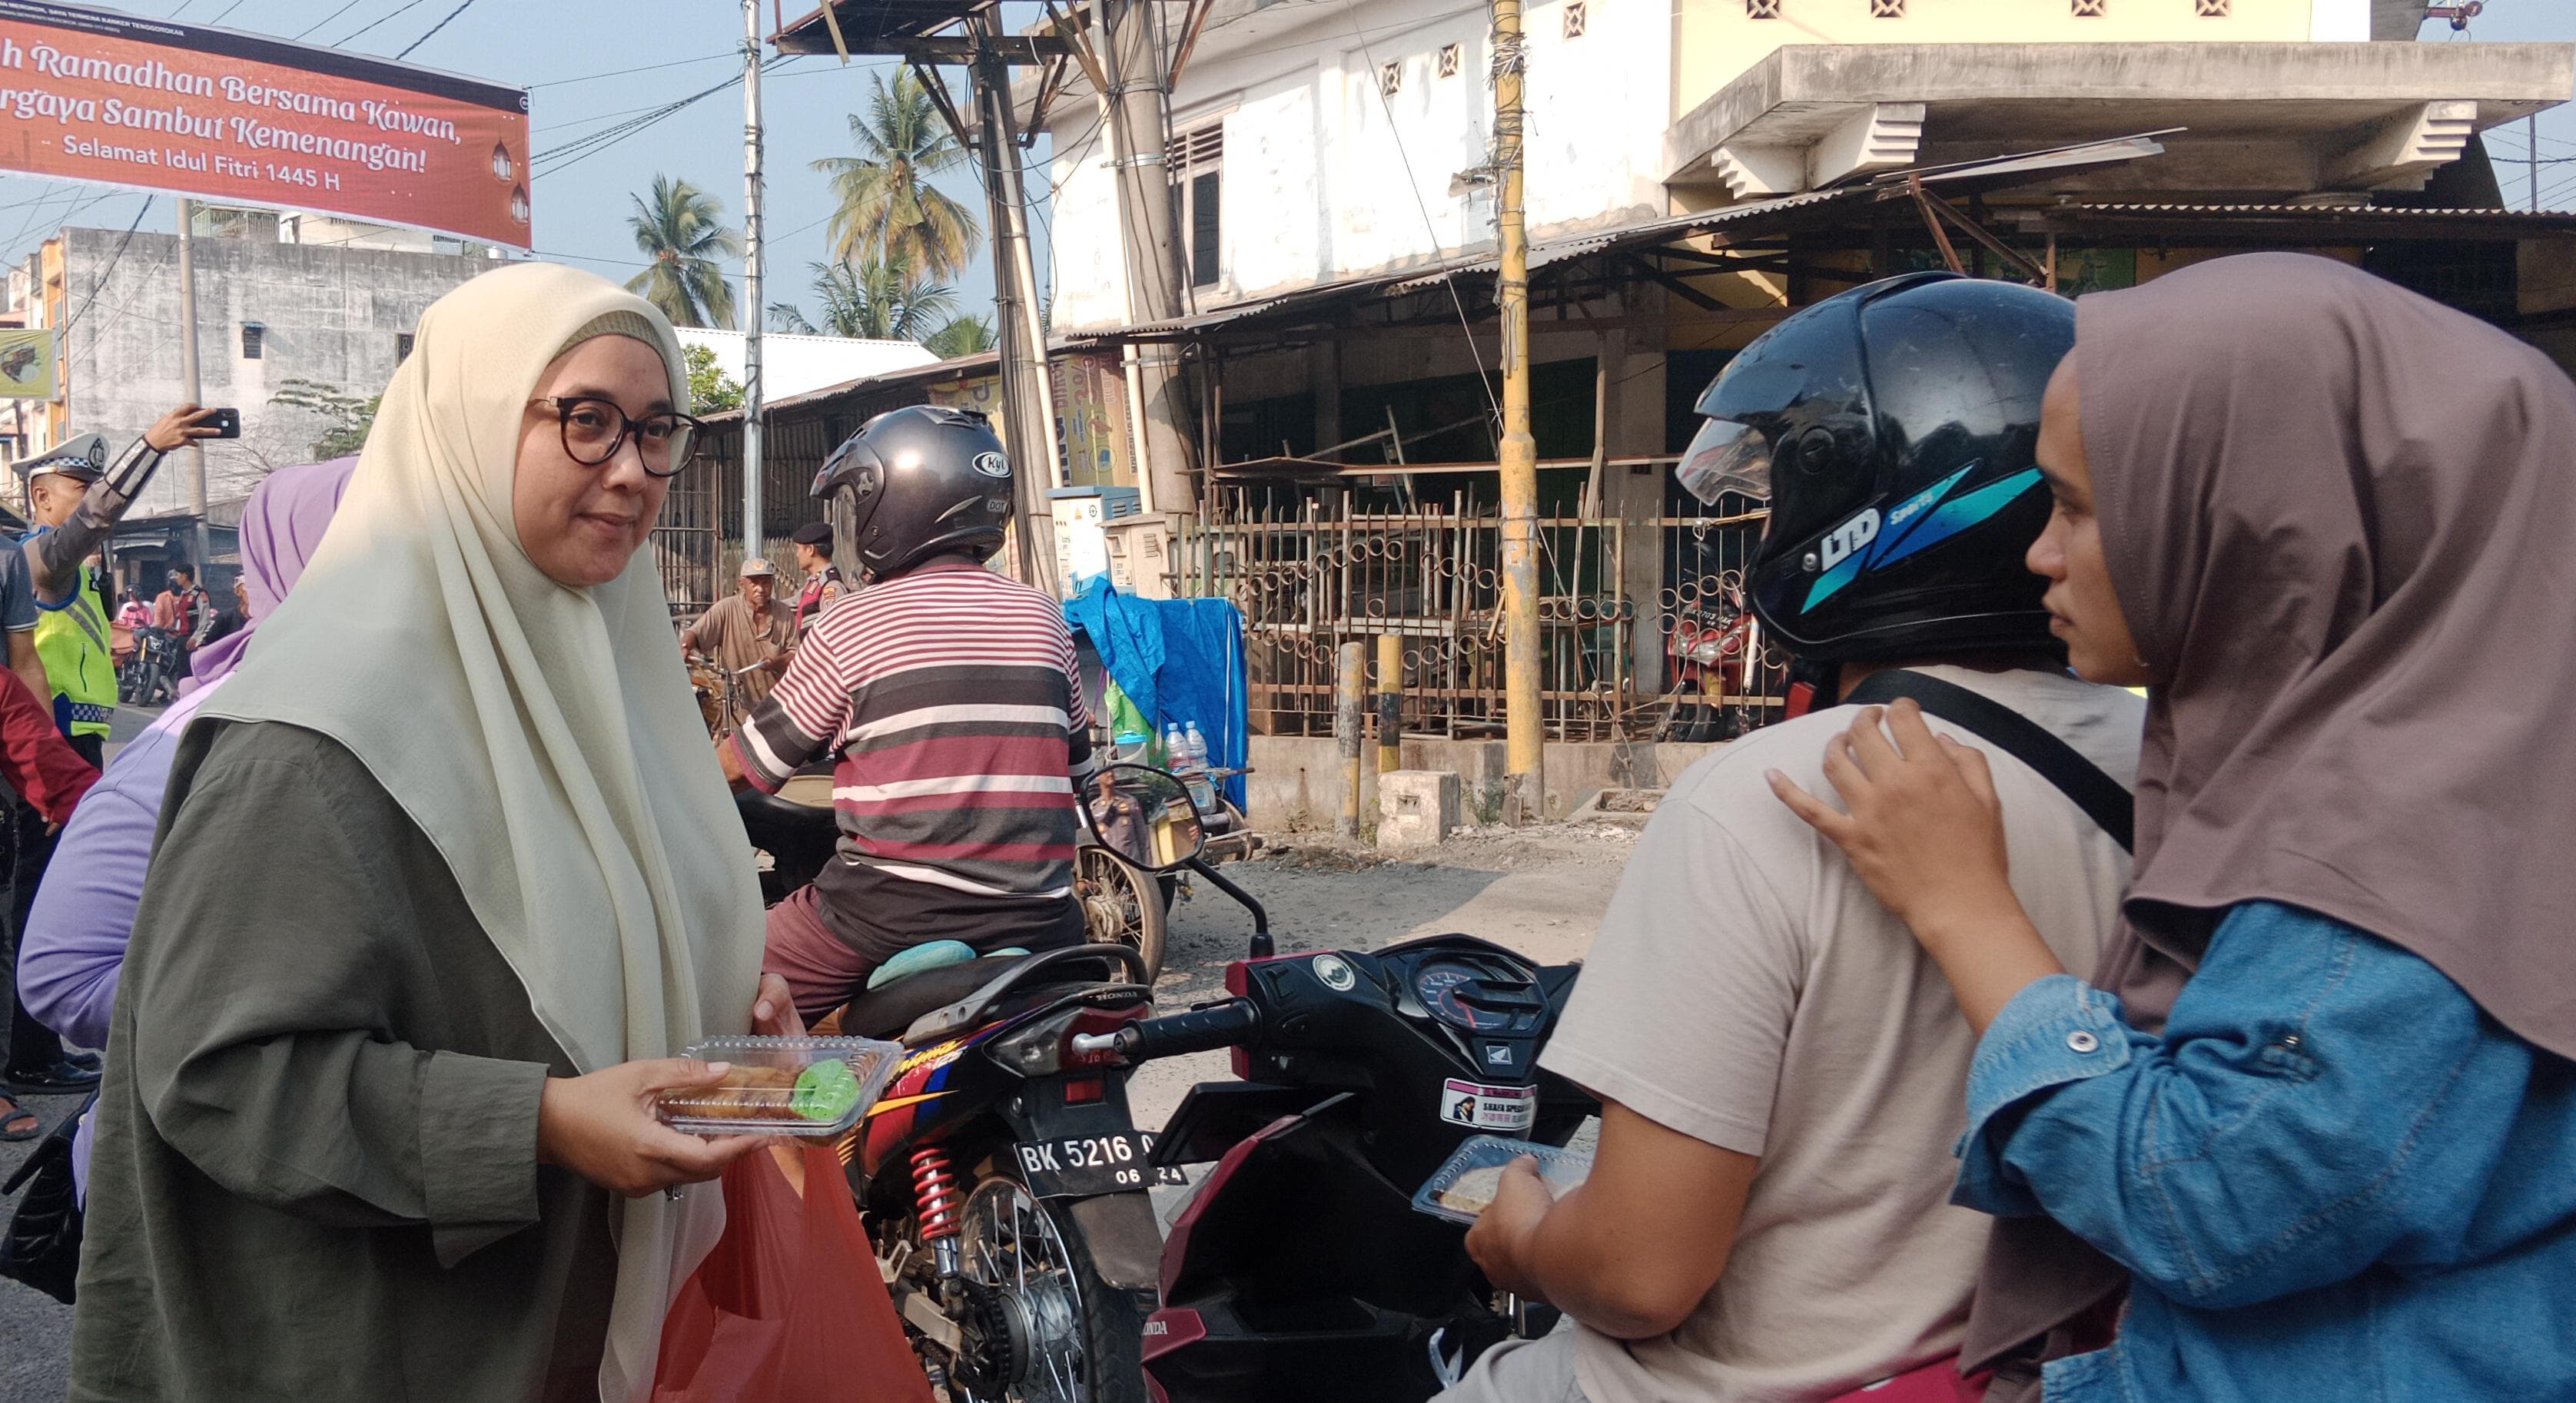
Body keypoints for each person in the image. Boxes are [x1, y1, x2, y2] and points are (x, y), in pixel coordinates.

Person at [1773, 253, 2576, 1403]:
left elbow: (2206, 1202)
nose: (2038, 552)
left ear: (2273, 531)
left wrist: (1965, 906)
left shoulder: (2388, 844)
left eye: (2081, 507)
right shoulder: (2448, 763)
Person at [70, 264, 797, 1403]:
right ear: (465, 425)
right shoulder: (311, 739)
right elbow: (217, 1073)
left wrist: (723, 1010)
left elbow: (584, 942)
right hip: (370, 1347)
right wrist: (541, 1124)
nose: (630, 471)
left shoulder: (595, 699)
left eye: (657, 430)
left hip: (552, 1328)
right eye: (587, 420)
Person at [1442, 276, 2144, 1403]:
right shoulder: (2192, 766)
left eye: (1778, 498)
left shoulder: (1764, 794)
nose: (1766, 530)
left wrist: (1521, 1239)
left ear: (1868, 510)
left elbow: (1636, 1271)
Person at [21, 458, 353, 1192]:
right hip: (207, 1183)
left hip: (72, 747)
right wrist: (271, 1016)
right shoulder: (224, 730)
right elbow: (64, 974)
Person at [719, 405, 1096, 1020]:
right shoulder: (1044, 616)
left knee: (718, 992)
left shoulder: (850, 622)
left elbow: (744, 769)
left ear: (894, 503)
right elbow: (1079, 771)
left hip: (886, 913)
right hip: (1045, 919)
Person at [18, 410, 221, 759]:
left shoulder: (76, 567)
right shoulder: (39, 557)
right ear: (42, 497)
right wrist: (150, 447)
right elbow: (95, 517)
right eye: (84, 488)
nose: (95, 499)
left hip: (76, 734)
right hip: (52, 735)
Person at [678, 556, 795, 713]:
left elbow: (795, 653)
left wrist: (776, 662)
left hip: (776, 705)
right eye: (754, 583)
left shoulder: (784, 614)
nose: (760, 589)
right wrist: (685, 647)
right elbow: (696, 632)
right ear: (742, 584)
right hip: (738, 705)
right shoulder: (726, 609)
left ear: (772, 584)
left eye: (766, 582)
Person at [788, 519, 847, 628]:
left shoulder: (831, 586)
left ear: (810, 550)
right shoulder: (815, 582)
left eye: (798, 549)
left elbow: (833, 626)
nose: (797, 555)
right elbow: (795, 603)